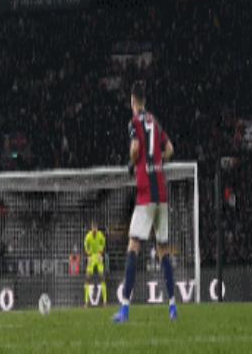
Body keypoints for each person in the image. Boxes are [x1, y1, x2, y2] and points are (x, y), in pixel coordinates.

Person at [113, 81, 176, 323]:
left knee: (133, 247)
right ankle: (172, 307)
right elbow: (170, 149)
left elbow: (135, 148)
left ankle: (125, 309)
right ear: (145, 100)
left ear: (132, 101)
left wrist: (133, 163)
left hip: (145, 194)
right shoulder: (155, 122)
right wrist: (158, 162)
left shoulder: (134, 122)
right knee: (163, 249)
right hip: (161, 193)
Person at [84, 220, 107, 307]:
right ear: (91, 228)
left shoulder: (100, 235)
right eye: (93, 228)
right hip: (91, 257)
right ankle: (86, 302)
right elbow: (85, 245)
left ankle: (105, 301)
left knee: (102, 277)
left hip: (98, 256)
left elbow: (103, 243)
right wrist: (88, 255)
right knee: (88, 277)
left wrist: (101, 253)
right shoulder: (88, 236)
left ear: (97, 228)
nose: (94, 230)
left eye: (95, 228)